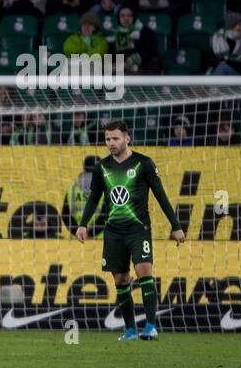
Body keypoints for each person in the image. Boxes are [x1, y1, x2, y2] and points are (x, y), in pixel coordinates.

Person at [76, 119, 185, 341]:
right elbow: (94, 198)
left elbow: (160, 195)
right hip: (113, 231)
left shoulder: (143, 164)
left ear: (127, 138)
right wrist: (83, 224)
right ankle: (130, 330)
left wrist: (175, 226)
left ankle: (151, 326)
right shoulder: (102, 167)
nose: (111, 143)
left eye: (115, 138)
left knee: (144, 271)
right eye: (107, 139)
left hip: (138, 229)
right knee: (121, 280)